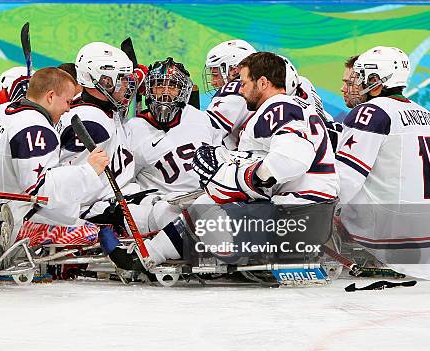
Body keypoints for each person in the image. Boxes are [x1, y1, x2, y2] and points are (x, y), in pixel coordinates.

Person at [102, 52, 338, 271]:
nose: (241, 91)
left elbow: (291, 159)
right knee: (205, 201)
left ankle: (206, 256)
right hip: (309, 215)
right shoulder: (292, 107)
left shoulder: (278, 107)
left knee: (207, 205)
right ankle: (151, 255)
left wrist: (236, 178)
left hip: (296, 217)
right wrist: (229, 162)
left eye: (244, 83)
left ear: (263, 83)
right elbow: (269, 159)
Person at [0, 67, 110, 246]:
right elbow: (40, 190)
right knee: (94, 233)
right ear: (50, 96)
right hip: (6, 223)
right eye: (67, 101)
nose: (68, 109)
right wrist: (89, 171)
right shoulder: (36, 129)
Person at [335, 46, 430, 279]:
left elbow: (345, 180)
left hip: (389, 237)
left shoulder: (370, 112)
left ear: (376, 81)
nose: (354, 84)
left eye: (360, 78)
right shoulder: (425, 114)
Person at [123, 57, 224, 232]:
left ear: (183, 92)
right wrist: (149, 200)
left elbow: (220, 162)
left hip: (205, 201)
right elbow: (124, 182)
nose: (165, 92)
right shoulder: (132, 130)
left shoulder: (201, 119)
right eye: (159, 85)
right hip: (163, 209)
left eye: (173, 87)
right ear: (149, 90)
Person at [57, 42, 138, 225]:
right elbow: (71, 189)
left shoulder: (103, 107)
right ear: (105, 81)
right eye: (122, 78)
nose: (128, 85)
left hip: (117, 198)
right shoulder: (90, 122)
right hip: (95, 211)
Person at [203, 39, 256, 150]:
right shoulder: (256, 86)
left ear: (234, 70)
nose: (213, 82)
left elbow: (205, 134)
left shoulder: (234, 94)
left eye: (215, 74)